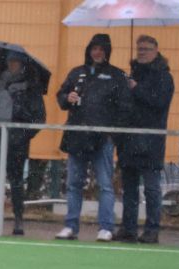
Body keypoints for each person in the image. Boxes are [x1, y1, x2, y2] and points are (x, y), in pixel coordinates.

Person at [54, 33, 132, 242]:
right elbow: (60, 97)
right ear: (89, 50)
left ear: (107, 52)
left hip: (102, 139)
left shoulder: (116, 76)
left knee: (105, 185)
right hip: (76, 137)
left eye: (101, 49)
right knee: (74, 184)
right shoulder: (76, 73)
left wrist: (112, 132)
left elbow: (125, 106)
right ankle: (70, 226)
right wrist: (67, 98)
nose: (97, 53)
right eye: (94, 48)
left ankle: (106, 227)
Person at [0, 51, 46, 236]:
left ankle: (18, 220)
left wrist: (22, 135)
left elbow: (39, 118)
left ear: (22, 65)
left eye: (16, 62)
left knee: (16, 182)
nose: (12, 65)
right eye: (10, 61)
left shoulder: (31, 88)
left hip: (16, 144)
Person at [114, 35, 175, 244]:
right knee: (129, 188)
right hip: (128, 139)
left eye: (146, 49)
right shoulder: (132, 74)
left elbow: (159, 102)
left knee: (151, 188)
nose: (142, 52)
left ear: (156, 51)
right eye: (139, 48)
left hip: (151, 141)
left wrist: (136, 89)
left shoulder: (164, 77)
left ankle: (152, 229)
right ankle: (128, 228)